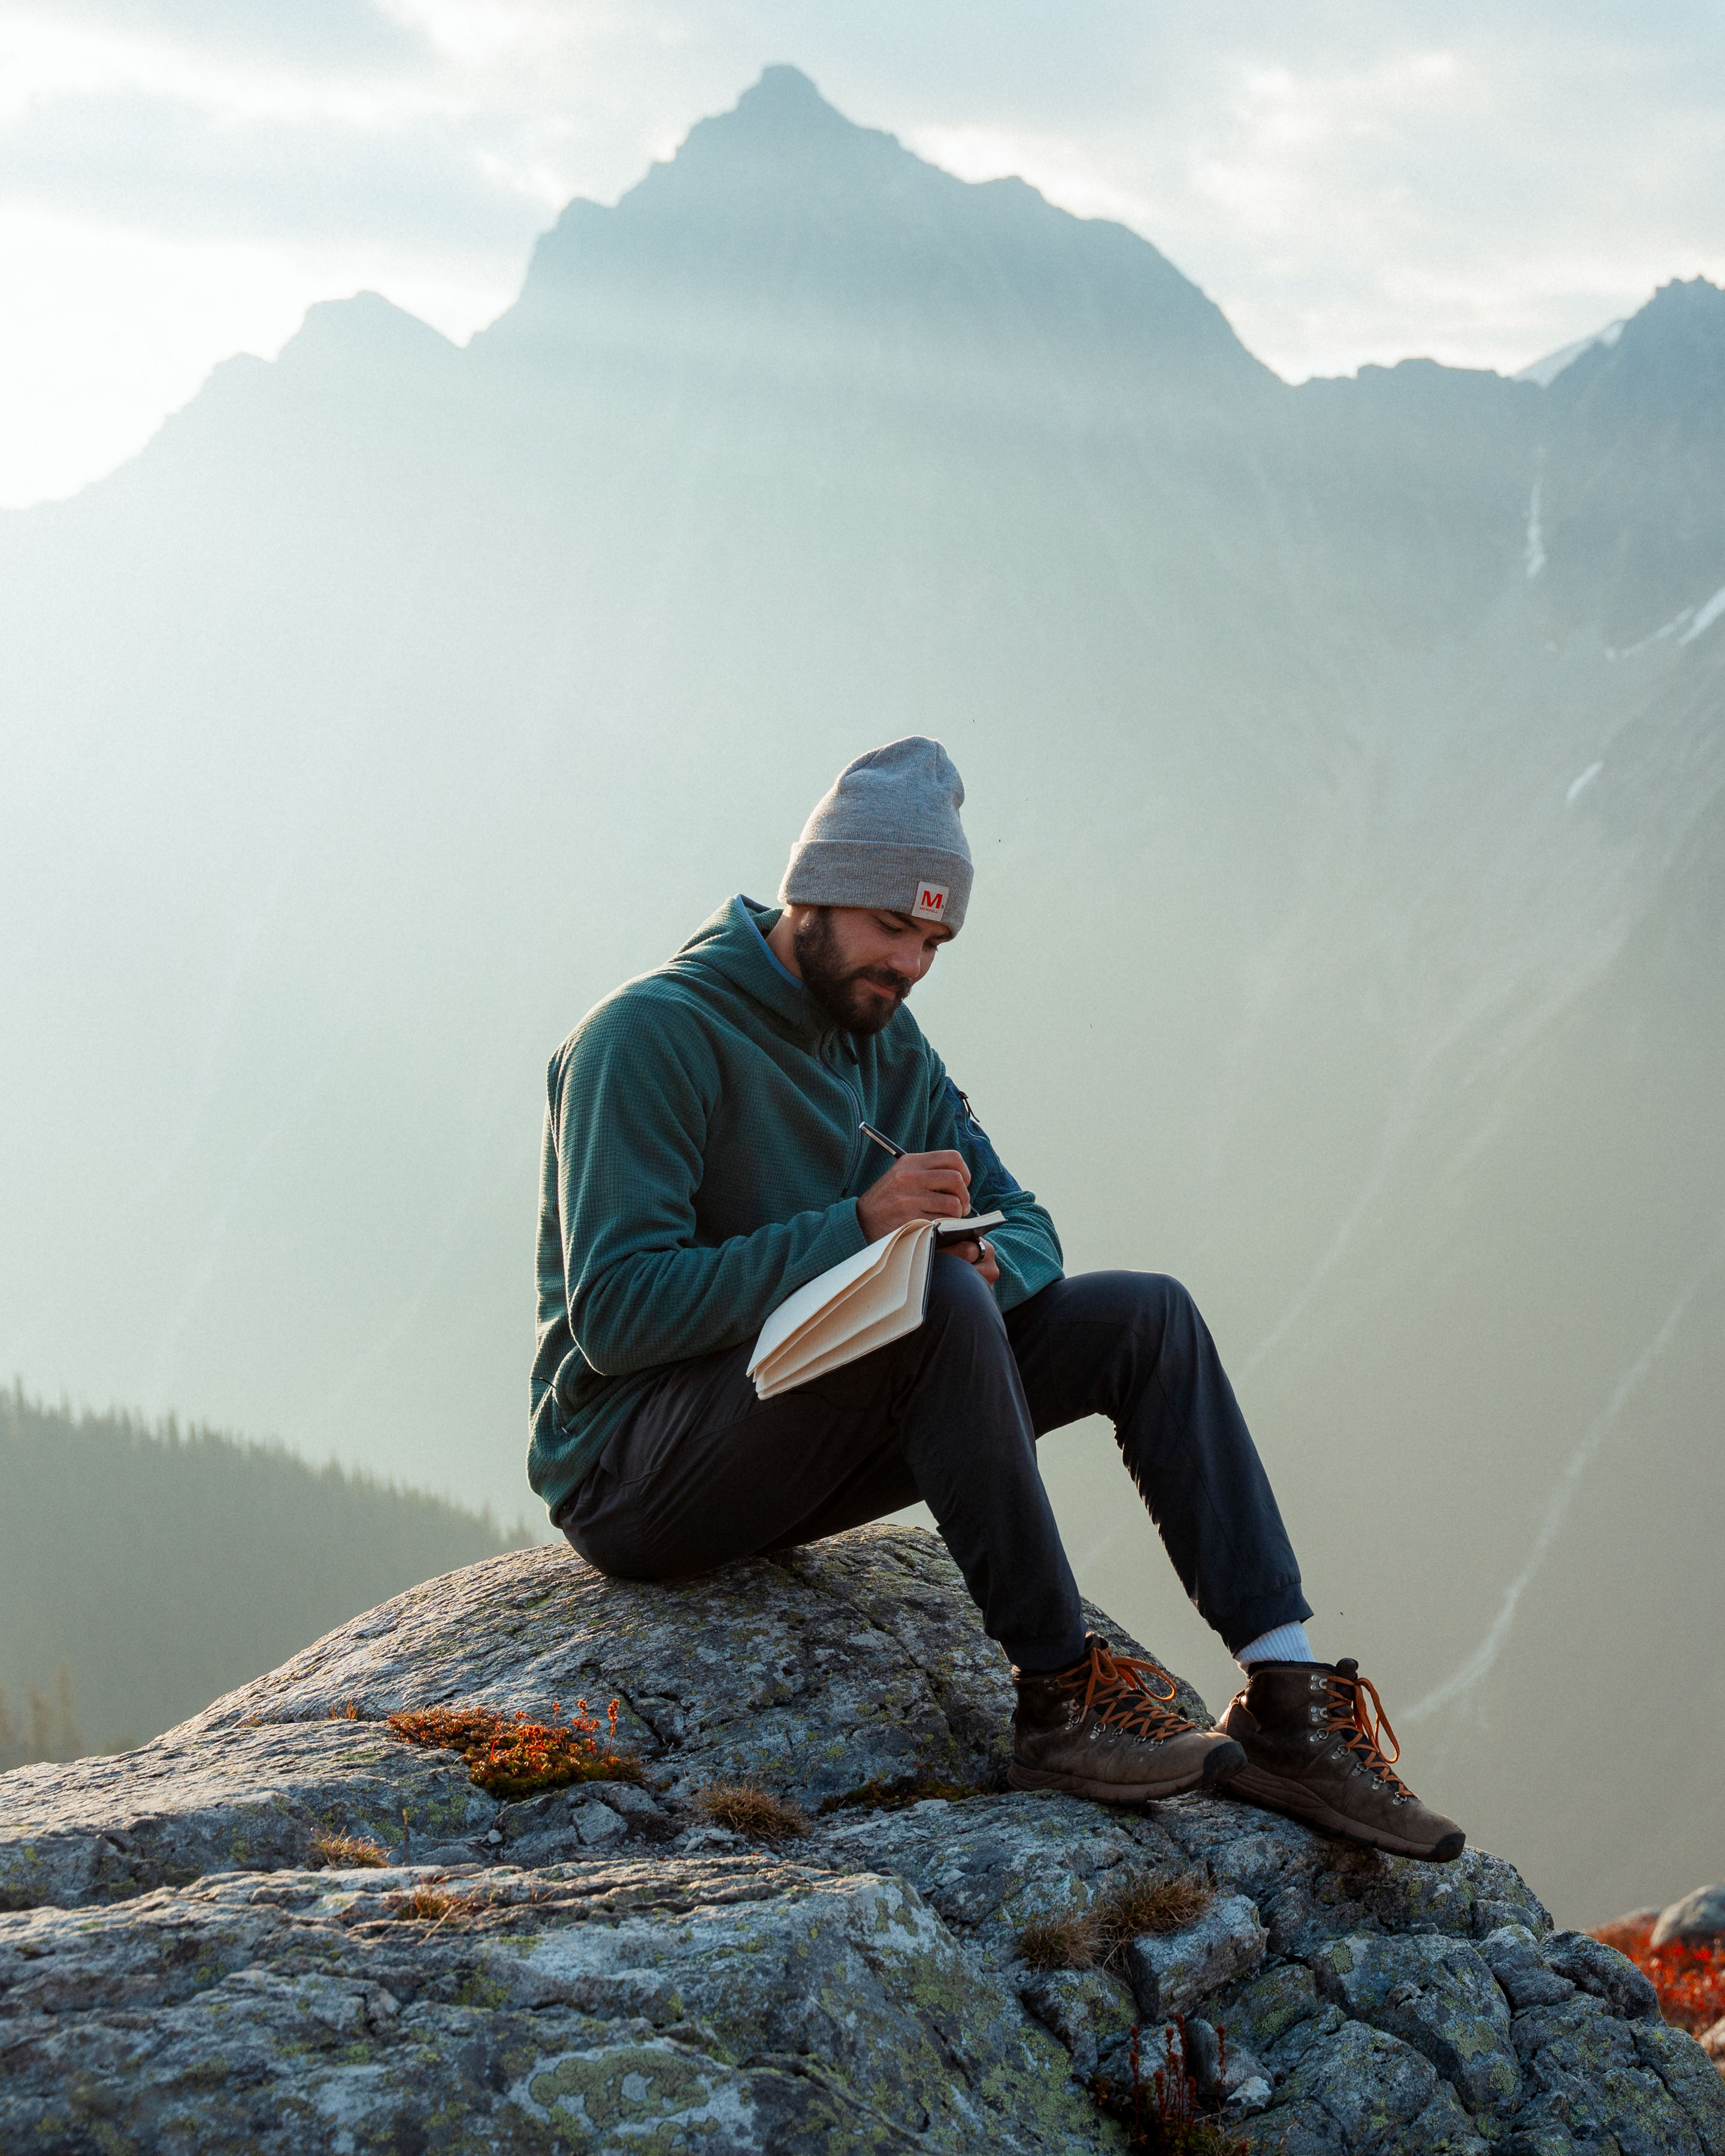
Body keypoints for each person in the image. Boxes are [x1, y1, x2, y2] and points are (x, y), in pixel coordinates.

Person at [530, 737, 1463, 1861]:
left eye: (935, 940)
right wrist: (861, 1233)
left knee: (1144, 1315)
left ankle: (1283, 1698)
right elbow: (618, 1312)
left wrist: (976, 1267)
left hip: (798, 1433)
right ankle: (1058, 1697)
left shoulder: (888, 1045)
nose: (913, 964)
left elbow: (1029, 1226)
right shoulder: (650, 1038)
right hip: (638, 1474)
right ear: (815, 895)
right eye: (894, 929)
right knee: (929, 1294)